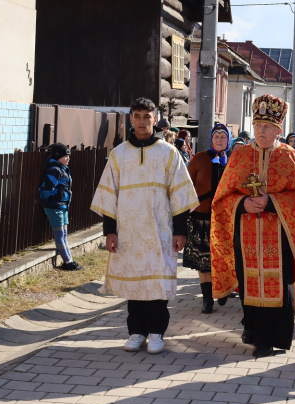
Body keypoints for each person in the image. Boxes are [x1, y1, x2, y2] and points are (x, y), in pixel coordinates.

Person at [91, 97, 199, 355]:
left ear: (155, 119)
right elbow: (109, 196)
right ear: (131, 119)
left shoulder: (168, 153)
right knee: (135, 284)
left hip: (160, 231)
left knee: (157, 285)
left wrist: (180, 230)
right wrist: (110, 231)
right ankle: (136, 332)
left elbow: (180, 196)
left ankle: (156, 333)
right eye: (137, 116)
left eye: (146, 116)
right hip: (129, 232)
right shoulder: (118, 155)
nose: (142, 121)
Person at [210, 94, 295, 358]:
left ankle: (272, 337)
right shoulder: (241, 154)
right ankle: (253, 330)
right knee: (249, 283)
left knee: (279, 285)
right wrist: (242, 203)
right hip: (246, 234)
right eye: (258, 126)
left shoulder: (288, 155)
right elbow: (222, 197)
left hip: (279, 234)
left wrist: (271, 201)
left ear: (278, 129)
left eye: (267, 127)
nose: (261, 131)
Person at [184, 123, 232, 314]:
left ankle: (223, 290)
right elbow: (186, 184)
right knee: (203, 261)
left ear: (228, 140)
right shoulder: (199, 158)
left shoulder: (233, 161)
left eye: (223, 137)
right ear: (211, 139)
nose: (219, 140)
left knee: (225, 257)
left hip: (225, 219)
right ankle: (207, 299)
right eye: (216, 136)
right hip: (201, 217)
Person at [39, 143, 84, 271]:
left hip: (62, 207)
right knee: (59, 235)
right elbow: (46, 189)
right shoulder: (54, 170)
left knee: (64, 234)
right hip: (55, 207)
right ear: (58, 156)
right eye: (66, 156)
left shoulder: (62, 168)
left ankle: (69, 260)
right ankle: (68, 262)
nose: (68, 158)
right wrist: (53, 199)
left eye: (69, 156)